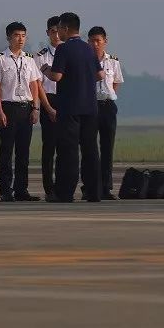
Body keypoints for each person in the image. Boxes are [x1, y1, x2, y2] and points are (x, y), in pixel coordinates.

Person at [48, 12, 105, 203]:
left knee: (68, 151)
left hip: (70, 107)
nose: (58, 34)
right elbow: (100, 75)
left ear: (65, 29)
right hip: (90, 106)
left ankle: (65, 192)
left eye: (59, 30)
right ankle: (93, 191)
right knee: (90, 150)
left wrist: (45, 70)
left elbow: (57, 76)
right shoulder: (89, 49)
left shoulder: (63, 49)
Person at [0, 22, 46, 201]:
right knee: (6, 151)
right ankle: (5, 190)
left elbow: (34, 85)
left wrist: (36, 107)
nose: (20, 39)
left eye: (23, 35)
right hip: (8, 107)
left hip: (26, 107)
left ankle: (21, 189)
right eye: (16, 35)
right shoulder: (0, 59)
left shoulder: (29, 59)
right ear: (9, 37)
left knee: (23, 152)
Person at [88, 26, 124, 200]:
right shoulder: (85, 60)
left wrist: (108, 96)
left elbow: (116, 82)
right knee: (89, 148)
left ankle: (106, 187)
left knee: (107, 147)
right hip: (90, 106)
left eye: (98, 40)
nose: (95, 44)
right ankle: (89, 186)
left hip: (108, 106)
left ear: (105, 41)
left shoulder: (113, 61)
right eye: (92, 40)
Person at [33, 15, 62, 202]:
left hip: (67, 101)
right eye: (53, 31)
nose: (57, 35)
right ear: (47, 33)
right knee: (49, 146)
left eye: (60, 31)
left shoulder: (70, 52)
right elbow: (38, 85)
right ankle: (49, 187)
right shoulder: (40, 56)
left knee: (66, 147)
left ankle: (63, 185)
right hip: (49, 100)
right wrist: (48, 108)